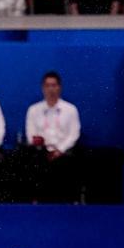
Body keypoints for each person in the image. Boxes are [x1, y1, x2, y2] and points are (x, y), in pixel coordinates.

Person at [24, 71, 81, 201]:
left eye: (54, 85)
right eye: (47, 85)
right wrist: (42, 146)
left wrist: (59, 150)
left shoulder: (70, 109)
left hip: (63, 152)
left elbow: (74, 134)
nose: (51, 89)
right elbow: (30, 133)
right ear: (43, 88)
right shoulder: (33, 110)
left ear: (59, 87)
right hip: (41, 152)